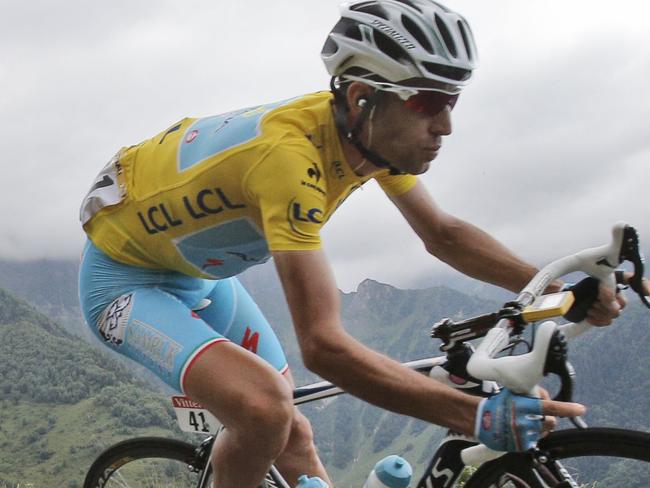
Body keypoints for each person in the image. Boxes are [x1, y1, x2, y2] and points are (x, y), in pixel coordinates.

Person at [78, 1, 643, 487]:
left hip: (202, 277)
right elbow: (323, 346)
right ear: (361, 95)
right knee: (262, 411)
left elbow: (442, 234)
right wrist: (474, 415)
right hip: (124, 285)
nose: (445, 125)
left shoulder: (366, 138)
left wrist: (560, 288)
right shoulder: (288, 160)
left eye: (453, 100)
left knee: (294, 430)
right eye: (427, 102)